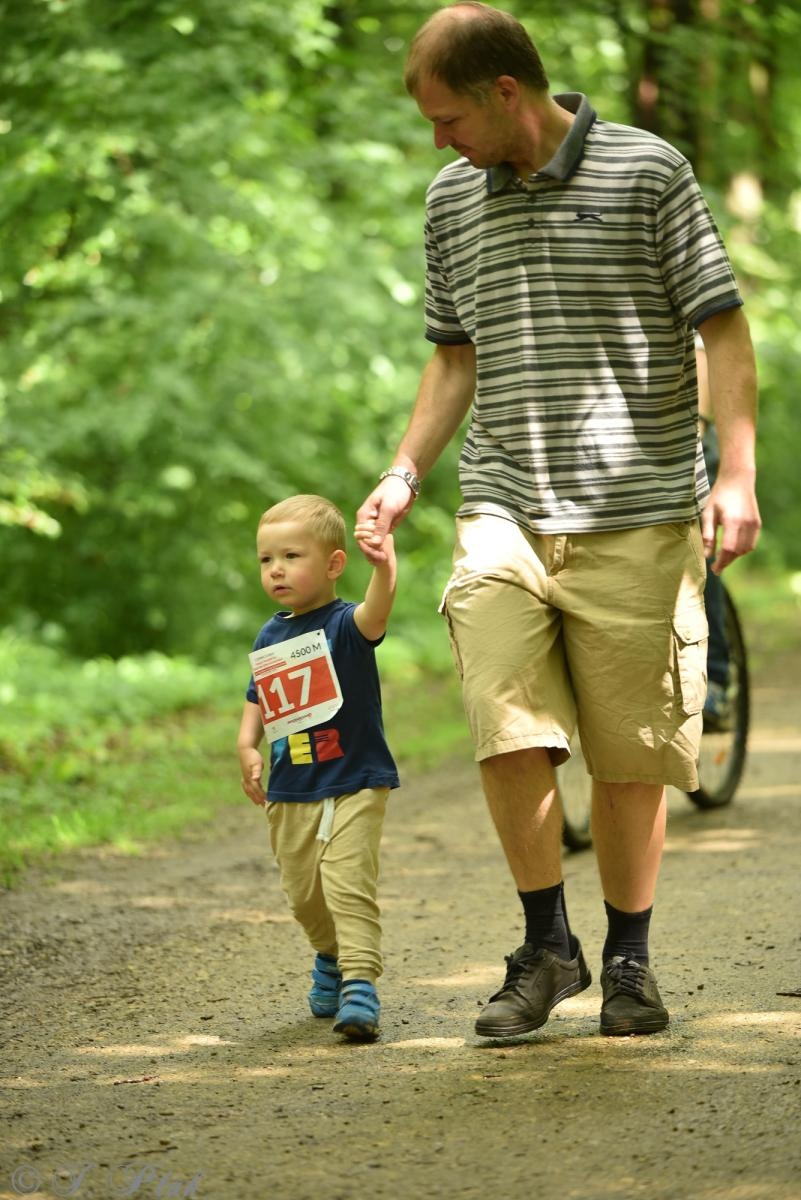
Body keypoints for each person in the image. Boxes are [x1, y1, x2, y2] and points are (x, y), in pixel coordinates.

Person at [356, 2, 760, 1038]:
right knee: (507, 724)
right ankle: (548, 945)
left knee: (630, 754)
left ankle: (629, 958)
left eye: (448, 118)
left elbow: (722, 328)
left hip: (639, 509)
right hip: (504, 506)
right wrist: (406, 469)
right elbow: (454, 355)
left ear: (506, 91)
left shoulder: (647, 172)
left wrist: (738, 474)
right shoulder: (453, 198)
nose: (437, 142)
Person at [238, 494, 399, 1041]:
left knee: (347, 883)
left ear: (333, 564)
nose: (276, 569)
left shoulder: (346, 624)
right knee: (305, 894)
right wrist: (247, 744)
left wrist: (385, 566)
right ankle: (328, 955)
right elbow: (258, 693)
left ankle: (360, 983)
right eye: (266, 560)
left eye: (291, 556)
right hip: (292, 787)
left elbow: (378, 612)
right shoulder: (270, 635)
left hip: (356, 779)